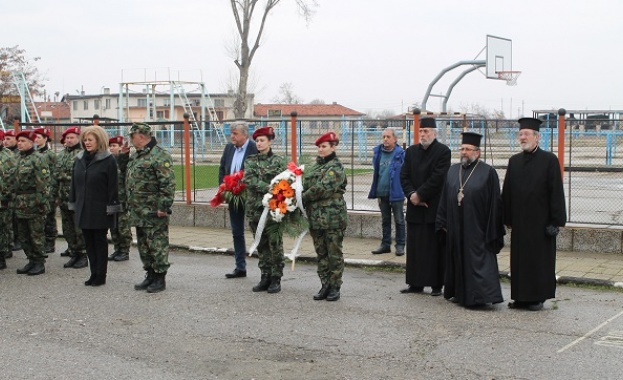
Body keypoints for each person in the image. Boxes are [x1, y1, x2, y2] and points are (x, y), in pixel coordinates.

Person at [502, 117, 567, 311]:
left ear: (537, 137)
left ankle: (537, 298)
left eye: (526, 134)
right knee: (520, 262)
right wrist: (507, 218)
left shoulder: (549, 160)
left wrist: (556, 221)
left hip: (541, 224)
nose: (522, 137)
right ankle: (521, 297)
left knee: (538, 262)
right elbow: (507, 192)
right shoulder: (514, 161)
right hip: (520, 223)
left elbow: (556, 192)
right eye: (520, 134)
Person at [436, 131, 505, 307]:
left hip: (478, 229)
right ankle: (459, 294)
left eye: (468, 149)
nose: (464, 152)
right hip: (456, 227)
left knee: (477, 263)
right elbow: (444, 197)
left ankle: (480, 298)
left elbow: (495, 203)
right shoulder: (453, 170)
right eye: (462, 148)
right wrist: (442, 221)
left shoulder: (488, 172)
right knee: (457, 260)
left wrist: (493, 229)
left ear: (477, 152)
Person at [118, 123, 175, 293]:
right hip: (138, 210)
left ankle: (159, 278)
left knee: (157, 244)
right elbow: (125, 173)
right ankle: (149, 274)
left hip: (153, 211)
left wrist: (163, 206)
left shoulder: (159, 155)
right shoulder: (137, 156)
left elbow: (168, 184)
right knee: (143, 245)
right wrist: (123, 156)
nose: (130, 140)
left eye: (132, 136)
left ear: (141, 136)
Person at [399, 117, 450, 296]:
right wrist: (412, 195)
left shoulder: (443, 152)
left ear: (434, 133)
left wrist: (420, 195)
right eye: (421, 131)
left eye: (426, 131)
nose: (423, 134)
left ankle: (436, 284)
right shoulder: (412, 151)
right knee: (415, 248)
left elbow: (438, 178)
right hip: (415, 207)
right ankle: (415, 283)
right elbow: (404, 175)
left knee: (434, 248)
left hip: (433, 207)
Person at [69, 126, 121, 286]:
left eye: (90, 140)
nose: (87, 143)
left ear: (99, 141)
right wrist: (73, 202)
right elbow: (74, 184)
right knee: (89, 243)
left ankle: (101, 275)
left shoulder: (108, 160)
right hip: (84, 208)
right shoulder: (79, 159)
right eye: (85, 140)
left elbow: (113, 187)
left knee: (99, 241)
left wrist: (112, 208)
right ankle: (93, 273)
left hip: (100, 209)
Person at [302, 131, 348, 301]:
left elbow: (322, 188)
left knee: (334, 254)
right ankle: (325, 284)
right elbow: (304, 183)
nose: (320, 150)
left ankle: (335, 286)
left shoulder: (335, 167)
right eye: (319, 147)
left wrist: (302, 197)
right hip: (316, 218)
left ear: (333, 147)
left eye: (324, 146)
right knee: (321, 254)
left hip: (333, 218)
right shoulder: (315, 168)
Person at [243, 126, 286, 293]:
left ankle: (276, 278)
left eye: (262, 140)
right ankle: (265, 276)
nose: (259, 144)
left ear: (270, 141)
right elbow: (249, 179)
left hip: (273, 211)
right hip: (255, 209)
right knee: (261, 245)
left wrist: (275, 191)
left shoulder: (278, 161)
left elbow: (284, 184)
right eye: (257, 141)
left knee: (275, 244)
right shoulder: (251, 160)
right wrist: (269, 187)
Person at [218, 121, 258, 279]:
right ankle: (240, 267)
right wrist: (223, 186)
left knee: (258, 231)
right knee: (237, 232)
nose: (231, 136)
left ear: (245, 134)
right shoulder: (228, 148)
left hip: (251, 197)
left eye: (235, 133)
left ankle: (267, 269)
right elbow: (222, 168)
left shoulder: (255, 148)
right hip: (233, 197)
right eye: (231, 133)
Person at [13, 130, 50, 276]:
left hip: (34, 202)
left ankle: (39, 262)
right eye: (19, 141)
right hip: (20, 202)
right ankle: (31, 259)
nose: (20, 144)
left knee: (36, 234)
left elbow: (43, 183)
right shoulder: (17, 158)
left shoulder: (38, 158)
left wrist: (41, 203)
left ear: (31, 142)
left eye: (23, 141)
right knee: (23, 234)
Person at [368, 127, 406, 256]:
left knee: (399, 220)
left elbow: (405, 174)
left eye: (388, 137)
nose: (385, 139)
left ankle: (400, 245)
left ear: (395, 139)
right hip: (381, 192)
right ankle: (385, 245)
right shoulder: (378, 153)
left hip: (396, 193)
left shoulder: (401, 154)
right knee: (385, 220)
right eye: (383, 136)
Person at [57, 127, 89, 268]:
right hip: (63, 198)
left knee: (79, 228)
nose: (69, 140)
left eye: (72, 137)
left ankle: (83, 254)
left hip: (77, 198)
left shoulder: (83, 154)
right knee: (67, 228)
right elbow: (55, 175)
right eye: (67, 138)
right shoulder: (62, 154)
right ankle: (74, 252)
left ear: (78, 138)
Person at [107, 135, 132, 262]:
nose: (112, 148)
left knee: (123, 227)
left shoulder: (124, 161)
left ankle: (124, 250)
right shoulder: (108, 161)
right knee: (114, 227)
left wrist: (123, 154)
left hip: (122, 199)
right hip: (111, 199)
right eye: (110, 146)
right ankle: (117, 249)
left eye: (114, 146)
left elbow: (124, 167)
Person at [33, 127, 58, 254]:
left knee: (49, 217)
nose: (36, 140)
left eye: (38, 137)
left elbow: (54, 173)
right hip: (38, 191)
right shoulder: (35, 154)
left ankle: (50, 241)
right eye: (35, 137)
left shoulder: (51, 155)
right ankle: (41, 241)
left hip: (49, 191)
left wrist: (52, 191)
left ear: (45, 138)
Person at [0, 130, 17, 269]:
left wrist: (9, 195)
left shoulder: (9, 156)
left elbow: (14, 179)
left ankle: (2, 254)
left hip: (4, 199)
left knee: (4, 227)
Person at [3, 129, 20, 253]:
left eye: (9, 139)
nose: (6, 141)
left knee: (9, 222)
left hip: (8, 195)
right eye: (6, 138)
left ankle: (10, 245)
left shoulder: (10, 156)